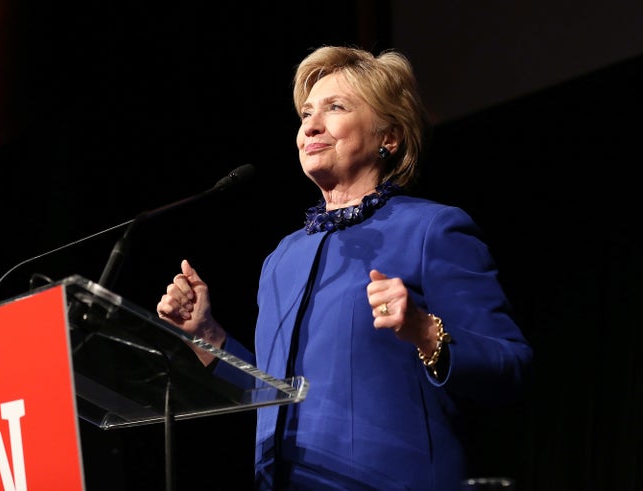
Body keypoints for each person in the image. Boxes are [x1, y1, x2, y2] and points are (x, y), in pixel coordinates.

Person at [156, 45, 533, 491]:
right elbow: (273, 399)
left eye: (335, 108)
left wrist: (423, 330)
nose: (310, 125)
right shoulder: (282, 259)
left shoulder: (433, 229)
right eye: (306, 113)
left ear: (388, 137)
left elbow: (512, 367)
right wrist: (207, 336)